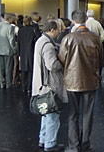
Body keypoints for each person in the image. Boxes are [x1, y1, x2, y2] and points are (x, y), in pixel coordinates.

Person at [58, 10, 102, 152]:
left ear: (73, 21)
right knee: (88, 114)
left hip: (72, 81)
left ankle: (74, 146)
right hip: (90, 80)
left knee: (73, 115)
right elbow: (101, 59)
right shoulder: (95, 38)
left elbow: (62, 59)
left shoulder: (68, 38)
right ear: (85, 20)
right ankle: (85, 144)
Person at [32, 19, 67, 152]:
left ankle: (43, 139)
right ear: (52, 30)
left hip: (41, 85)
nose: (60, 31)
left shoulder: (41, 41)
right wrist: (63, 63)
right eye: (58, 29)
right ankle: (50, 143)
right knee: (53, 115)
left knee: (46, 114)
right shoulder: (47, 45)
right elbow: (52, 65)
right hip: (50, 86)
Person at [18, 16, 39, 94]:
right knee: (30, 70)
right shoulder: (33, 30)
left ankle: (24, 86)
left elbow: (19, 42)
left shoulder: (20, 31)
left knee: (23, 70)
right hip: (31, 51)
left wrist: (19, 52)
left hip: (23, 52)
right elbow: (37, 39)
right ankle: (29, 87)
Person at [0, 13, 17, 89]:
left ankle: (2, 83)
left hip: (0, 49)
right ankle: (8, 83)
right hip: (8, 50)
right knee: (8, 67)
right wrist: (14, 49)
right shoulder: (10, 27)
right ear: (10, 19)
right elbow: (11, 40)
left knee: (1, 67)